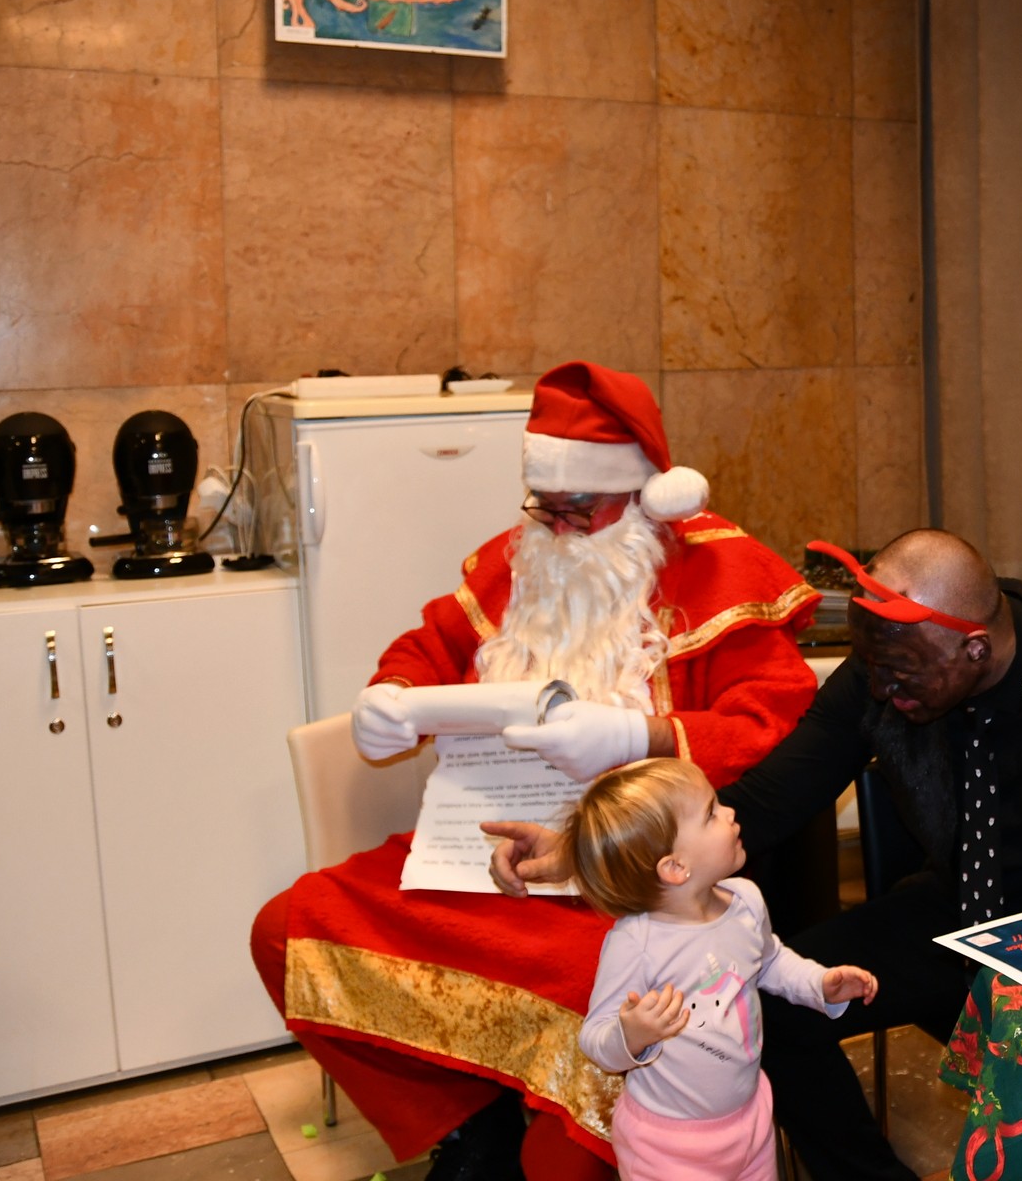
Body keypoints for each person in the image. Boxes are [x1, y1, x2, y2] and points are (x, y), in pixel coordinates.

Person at [250, 362, 820, 1181]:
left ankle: (569, 1139)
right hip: (491, 858)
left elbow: (775, 724)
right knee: (288, 929)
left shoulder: (715, 573)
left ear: (642, 494)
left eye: (578, 507)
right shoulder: (518, 561)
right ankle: (468, 1126)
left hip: (629, 885)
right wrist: (390, 694)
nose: (556, 527)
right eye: (541, 505)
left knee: (590, 1042)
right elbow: (426, 647)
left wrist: (639, 736)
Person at [490, 528, 1022, 1181]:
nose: (882, 691)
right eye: (874, 669)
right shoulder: (881, 670)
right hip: (957, 911)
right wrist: (588, 855)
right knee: (770, 1002)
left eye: (902, 674)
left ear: (974, 648)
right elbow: (772, 798)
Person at [567, 758, 878, 1181]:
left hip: (749, 1120)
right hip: (669, 1148)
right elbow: (594, 1037)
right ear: (675, 867)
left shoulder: (745, 900)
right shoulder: (636, 943)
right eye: (711, 813)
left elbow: (769, 959)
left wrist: (818, 983)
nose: (730, 813)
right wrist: (632, 1035)